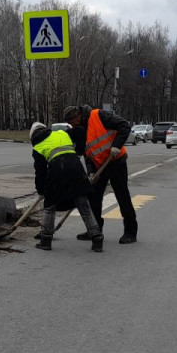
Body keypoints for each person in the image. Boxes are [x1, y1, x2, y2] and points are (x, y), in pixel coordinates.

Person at [63, 104, 138, 244]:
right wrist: (91, 172)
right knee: (94, 197)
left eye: (70, 122)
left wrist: (117, 145)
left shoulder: (99, 115)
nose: (70, 125)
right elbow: (87, 153)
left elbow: (124, 126)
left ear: (76, 116)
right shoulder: (81, 129)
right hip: (99, 166)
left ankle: (130, 232)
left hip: (116, 161)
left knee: (122, 196)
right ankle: (95, 230)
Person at [29, 122, 103, 252]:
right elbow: (80, 130)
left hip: (57, 169)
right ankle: (97, 238)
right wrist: (79, 152)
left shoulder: (37, 147)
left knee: (49, 205)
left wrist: (41, 191)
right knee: (83, 204)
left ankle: (46, 239)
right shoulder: (62, 133)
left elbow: (40, 173)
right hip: (76, 168)